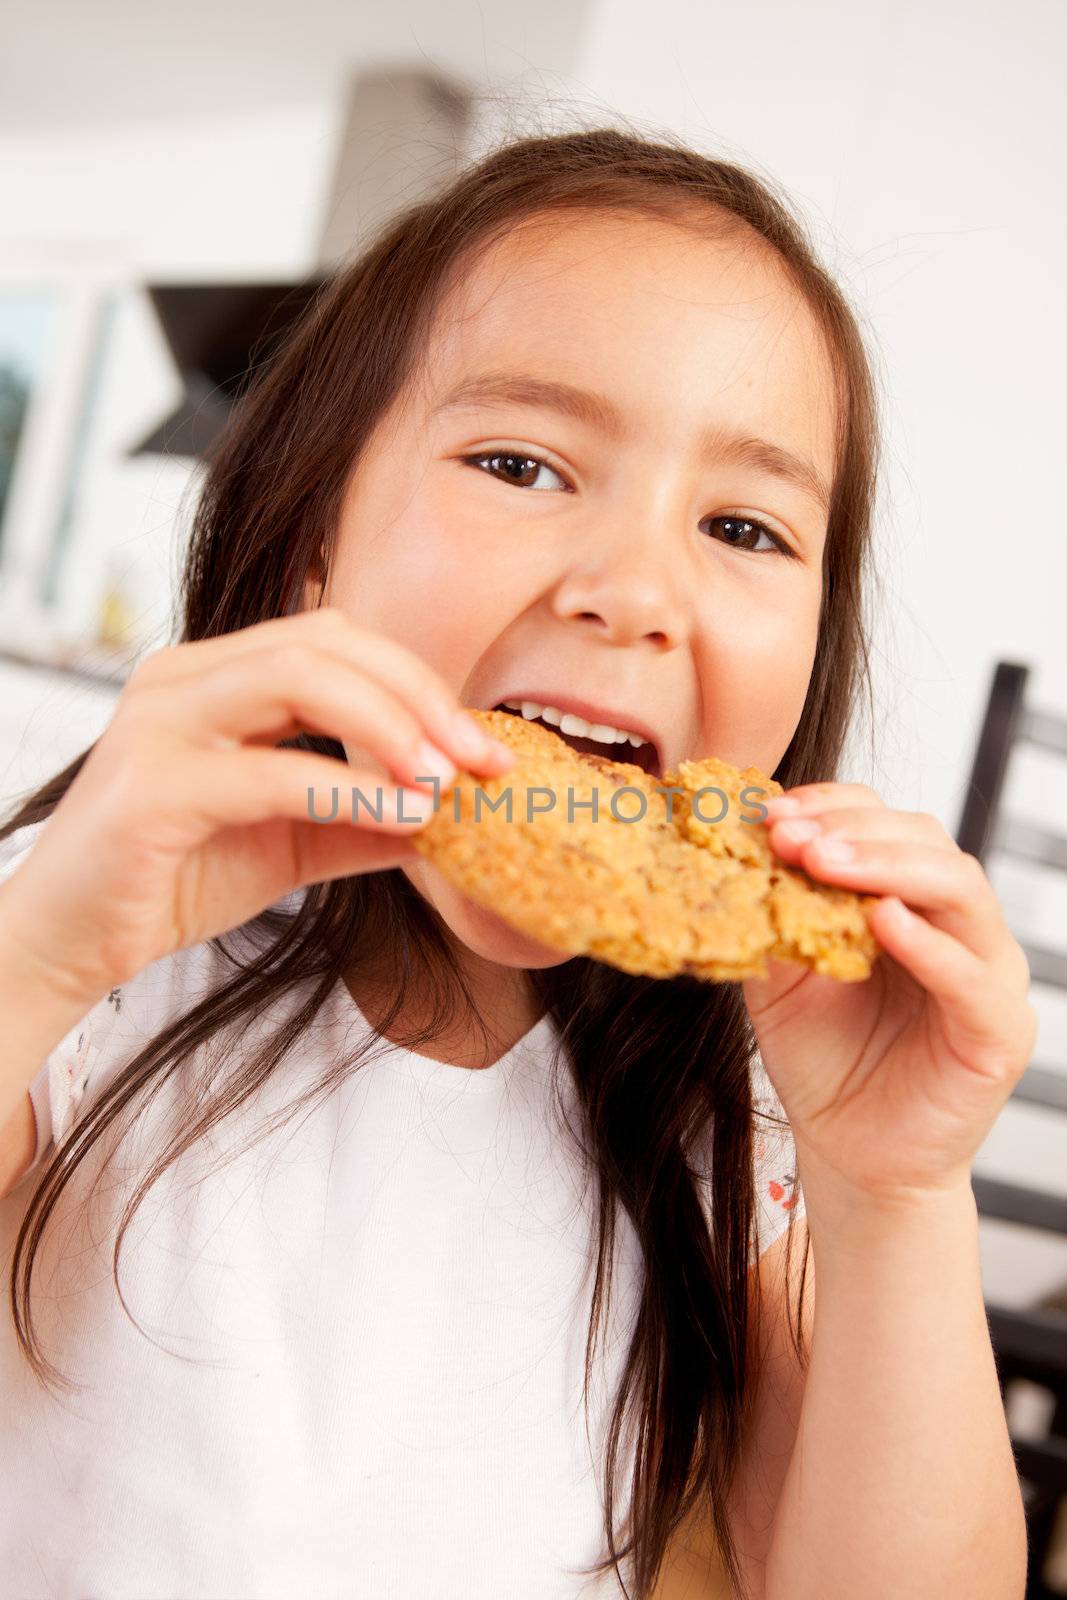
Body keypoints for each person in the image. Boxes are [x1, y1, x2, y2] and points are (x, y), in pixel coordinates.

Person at [0, 126, 1034, 1600]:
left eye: (744, 525)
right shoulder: (90, 962)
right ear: (312, 551)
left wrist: (901, 1199)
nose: (633, 593)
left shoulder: (730, 1115)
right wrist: (40, 953)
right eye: (522, 463)